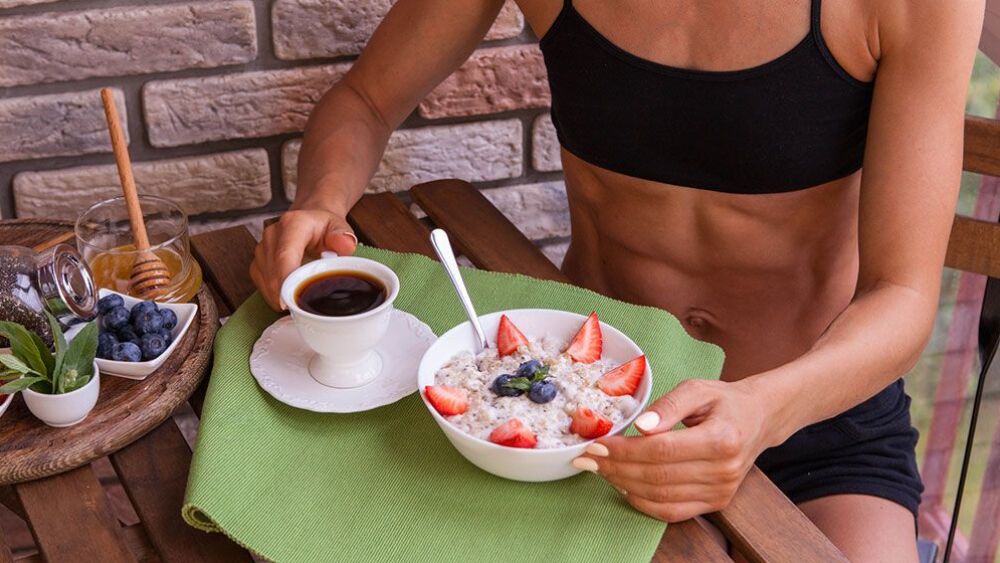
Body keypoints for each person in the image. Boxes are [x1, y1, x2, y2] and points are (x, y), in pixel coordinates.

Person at [250, 0, 984, 559]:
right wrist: (321, 201)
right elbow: (367, 101)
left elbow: (903, 293)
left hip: (820, 418)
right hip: (578, 415)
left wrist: (761, 412)